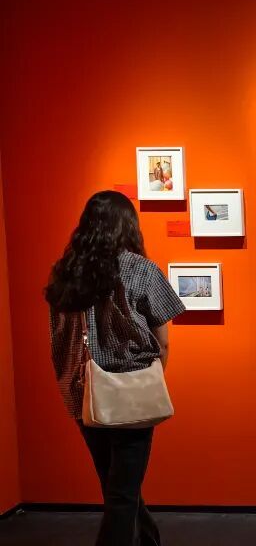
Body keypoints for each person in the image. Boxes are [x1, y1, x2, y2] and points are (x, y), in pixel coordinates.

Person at [44, 191, 186, 546]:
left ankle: (149, 540)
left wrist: (71, 384)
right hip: (131, 390)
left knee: (116, 486)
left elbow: (58, 340)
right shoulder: (141, 269)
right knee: (122, 493)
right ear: (128, 225)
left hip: (84, 392)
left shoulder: (66, 272)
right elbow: (163, 341)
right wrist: (152, 378)